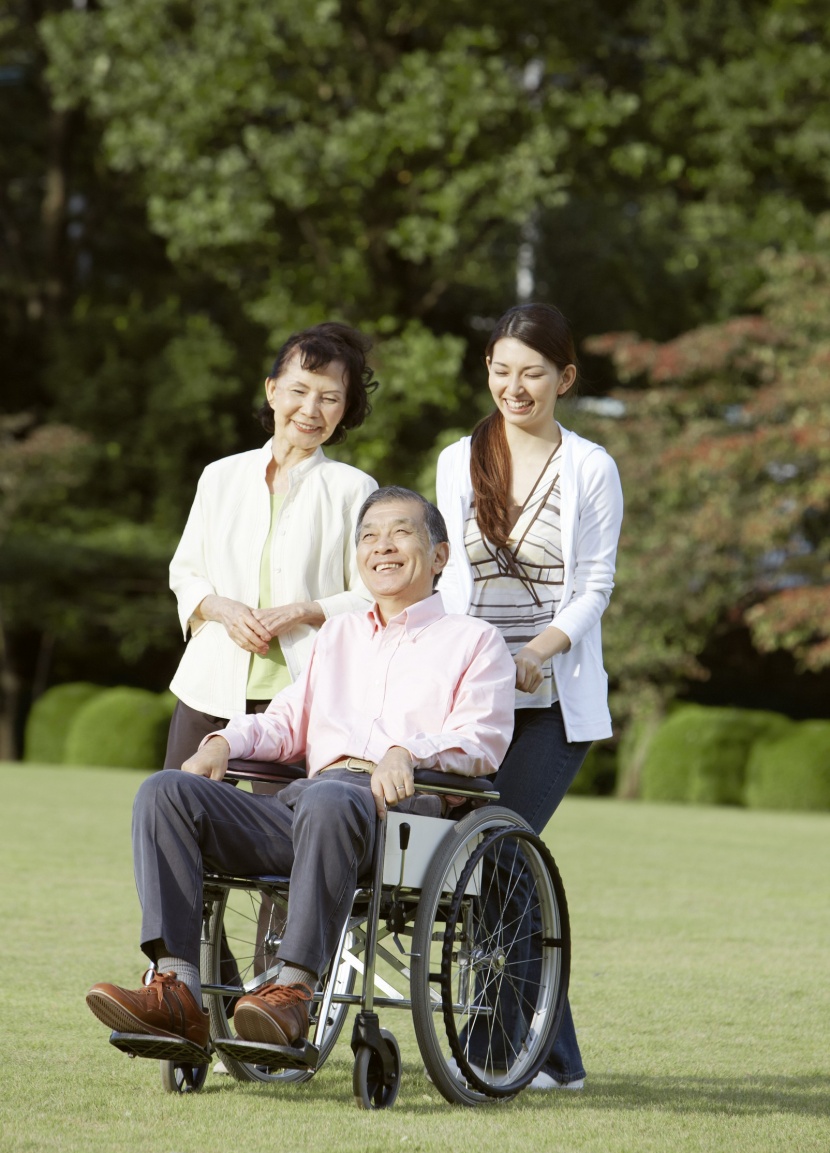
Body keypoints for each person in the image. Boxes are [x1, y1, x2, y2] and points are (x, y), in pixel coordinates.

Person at [86, 488, 516, 1050]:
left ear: (438, 557)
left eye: (401, 533)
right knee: (167, 791)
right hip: (310, 807)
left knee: (330, 796)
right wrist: (222, 741)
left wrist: (410, 751)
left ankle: (291, 991)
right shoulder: (336, 636)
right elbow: (286, 722)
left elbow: (481, 740)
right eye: (368, 536)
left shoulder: (475, 641)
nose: (382, 546)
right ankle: (176, 990)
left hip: (400, 819)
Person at [436, 302, 624, 1090]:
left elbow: (595, 585)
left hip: (552, 702)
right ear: (488, 371)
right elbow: (449, 574)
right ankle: (558, 1059)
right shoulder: (458, 458)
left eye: (534, 373)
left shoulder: (591, 467)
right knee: (501, 864)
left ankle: (493, 1045)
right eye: (503, 371)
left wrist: (540, 652)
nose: (517, 387)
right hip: (475, 698)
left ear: (565, 378)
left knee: (496, 850)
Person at [164, 321, 378, 768]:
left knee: (273, 833)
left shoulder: (354, 489)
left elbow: (370, 597)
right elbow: (185, 572)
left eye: (330, 398)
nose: (310, 409)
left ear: (345, 409)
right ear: (272, 391)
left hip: (297, 698)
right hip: (209, 684)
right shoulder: (220, 476)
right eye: (299, 391)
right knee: (175, 810)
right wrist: (222, 608)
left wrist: (302, 611)